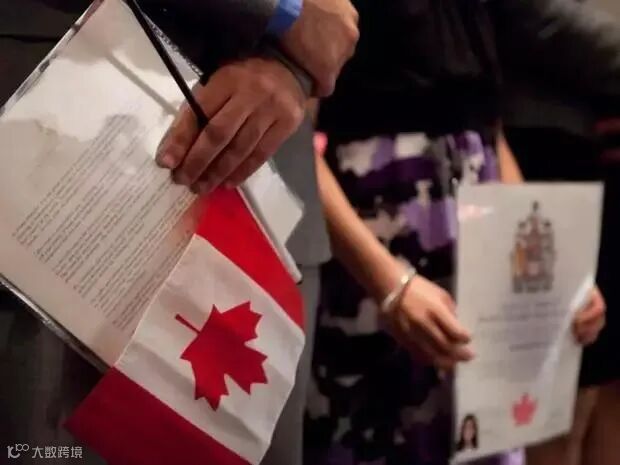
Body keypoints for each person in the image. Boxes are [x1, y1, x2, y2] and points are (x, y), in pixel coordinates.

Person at [0, 1, 358, 465]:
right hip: (66, 153)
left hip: (265, 172)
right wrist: (285, 9)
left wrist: (294, 68)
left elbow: (325, 27)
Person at [300, 1, 612, 464]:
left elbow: (488, 135)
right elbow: (295, 141)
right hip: (371, 265)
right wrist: (389, 284)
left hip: (477, 270)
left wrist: (555, 281)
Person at [502, 2, 620, 463]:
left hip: (594, 147)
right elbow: (535, 13)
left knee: (603, 382)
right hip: (543, 147)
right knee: (557, 393)